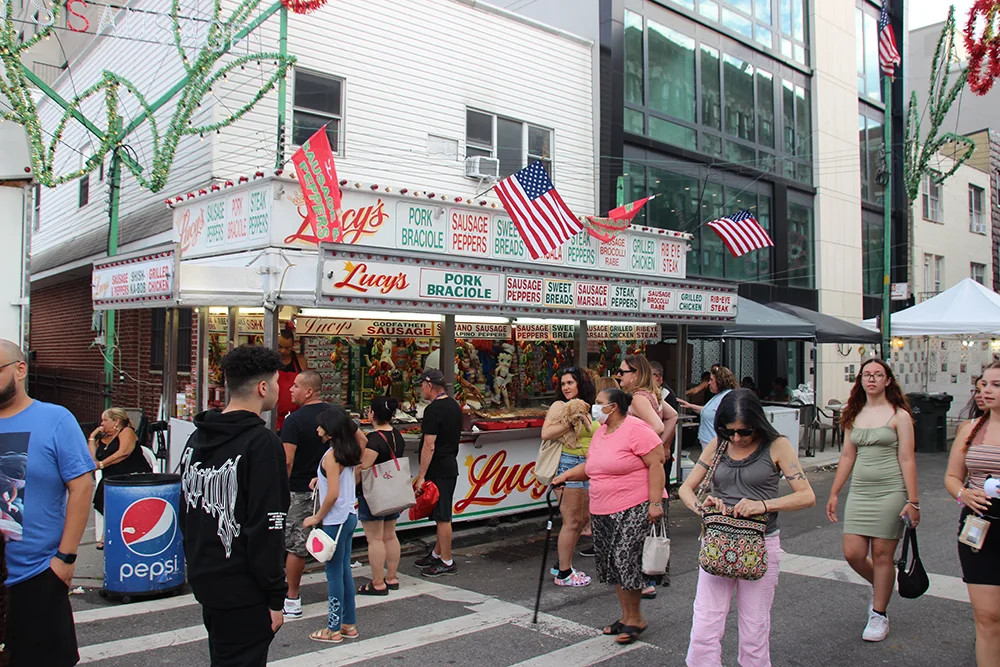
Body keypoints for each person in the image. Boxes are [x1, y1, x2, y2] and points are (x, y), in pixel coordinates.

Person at [678, 389, 816, 666]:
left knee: (754, 627)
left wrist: (763, 505)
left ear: (758, 423)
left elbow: (806, 495)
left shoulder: (777, 446)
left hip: (760, 543)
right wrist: (703, 506)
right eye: (730, 432)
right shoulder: (718, 443)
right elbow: (686, 488)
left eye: (745, 431)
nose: (737, 438)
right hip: (718, 540)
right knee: (706, 621)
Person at [180, 345, 289, 666]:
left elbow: (186, 509)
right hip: (245, 590)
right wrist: (275, 596)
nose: (279, 389)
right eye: (277, 382)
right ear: (263, 387)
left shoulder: (196, 439)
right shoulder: (262, 443)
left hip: (207, 579)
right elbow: (267, 526)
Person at [0, 339, 94, 666]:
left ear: (20, 369)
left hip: (36, 576)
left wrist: (65, 558)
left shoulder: (55, 419)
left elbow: (82, 486)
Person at [552, 388, 666, 645]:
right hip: (603, 507)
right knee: (613, 563)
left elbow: (656, 464)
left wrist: (655, 503)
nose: (594, 407)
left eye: (599, 403)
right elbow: (593, 467)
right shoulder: (601, 433)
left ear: (613, 407)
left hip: (635, 504)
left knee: (625, 557)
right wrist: (566, 476)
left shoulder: (637, 429)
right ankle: (626, 616)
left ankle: (636, 618)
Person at [825, 358, 919, 643]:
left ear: (888, 380)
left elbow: (907, 458)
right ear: (861, 380)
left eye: (878, 374)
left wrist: (913, 501)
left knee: (882, 555)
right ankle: (883, 585)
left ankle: (879, 612)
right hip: (861, 493)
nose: (872, 379)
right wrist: (834, 492)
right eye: (867, 374)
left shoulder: (899, 415)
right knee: (852, 553)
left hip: (891, 492)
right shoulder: (853, 413)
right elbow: (847, 456)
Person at [945, 361, 1000, 666]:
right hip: (978, 526)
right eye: (984, 384)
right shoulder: (971, 428)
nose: (986, 390)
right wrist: (965, 493)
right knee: (988, 618)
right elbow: (952, 478)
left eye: (996, 385)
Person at [618, 355, 677, 598]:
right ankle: (646, 576)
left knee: (636, 527)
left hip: (641, 470)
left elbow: (658, 425)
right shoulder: (653, 395)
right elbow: (671, 416)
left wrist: (638, 444)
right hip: (649, 467)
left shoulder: (639, 398)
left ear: (635, 373)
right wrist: (660, 446)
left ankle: (643, 580)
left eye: (623, 371)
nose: (619, 375)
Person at [304, 407, 362, 644]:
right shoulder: (346, 451)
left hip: (334, 520)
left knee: (333, 573)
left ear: (330, 431)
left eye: (321, 426)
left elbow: (333, 495)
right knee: (344, 569)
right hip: (349, 516)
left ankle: (333, 628)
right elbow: (339, 481)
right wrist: (322, 478)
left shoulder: (330, 456)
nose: (317, 429)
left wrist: (316, 517)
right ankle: (349, 623)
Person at [280, 370, 332, 620]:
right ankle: (338, 593)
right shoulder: (335, 415)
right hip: (330, 491)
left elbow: (287, 461)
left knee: (296, 545)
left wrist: (278, 486)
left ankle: (292, 597)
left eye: (296, 386)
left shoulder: (294, 421)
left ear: (309, 391)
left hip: (300, 490)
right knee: (332, 540)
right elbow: (358, 445)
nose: (291, 389)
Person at [541, 367, 597, 587]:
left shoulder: (592, 406)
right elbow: (545, 433)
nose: (566, 387)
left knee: (583, 520)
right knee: (571, 520)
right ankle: (564, 573)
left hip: (589, 466)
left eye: (570, 383)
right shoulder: (559, 406)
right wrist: (572, 421)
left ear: (581, 384)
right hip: (568, 464)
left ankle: (562, 562)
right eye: (563, 384)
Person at [414, 368, 463, 576]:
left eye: (422, 386)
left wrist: (421, 475)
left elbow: (429, 445)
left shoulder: (433, 410)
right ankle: (436, 554)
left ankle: (447, 560)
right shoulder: (454, 405)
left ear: (430, 385)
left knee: (443, 516)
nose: (421, 390)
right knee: (440, 514)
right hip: (449, 464)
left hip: (439, 468)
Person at [356, 396, 406, 596]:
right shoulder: (397, 435)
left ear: (372, 414)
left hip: (375, 493)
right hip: (393, 491)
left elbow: (364, 467)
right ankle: (392, 577)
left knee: (375, 539)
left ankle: (377, 583)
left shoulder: (375, 440)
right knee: (390, 535)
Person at [88, 408, 152, 550]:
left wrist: (102, 464)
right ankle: (109, 531)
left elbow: (123, 453)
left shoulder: (126, 432)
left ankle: (110, 534)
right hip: (111, 476)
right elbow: (93, 459)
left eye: (105, 420)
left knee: (111, 488)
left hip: (131, 473)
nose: (102, 423)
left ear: (116, 421)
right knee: (105, 487)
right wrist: (92, 437)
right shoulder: (104, 438)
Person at [679, 366, 739, 447]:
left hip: (715, 444)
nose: (709, 383)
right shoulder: (718, 396)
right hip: (708, 443)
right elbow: (709, 411)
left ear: (719, 381)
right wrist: (690, 406)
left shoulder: (728, 397)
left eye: (711, 380)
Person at [275, 328, 309, 432]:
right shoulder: (270, 361)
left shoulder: (300, 361)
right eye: (280, 347)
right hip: (274, 416)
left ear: (293, 346)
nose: (283, 351)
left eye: (287, 348)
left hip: (296, 416)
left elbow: (307, 387)